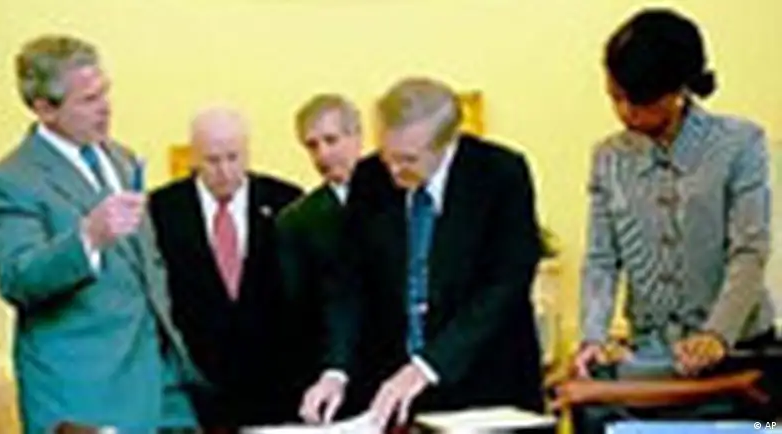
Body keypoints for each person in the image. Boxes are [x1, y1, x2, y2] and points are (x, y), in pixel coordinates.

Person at [0, 35, 201, 433]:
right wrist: (88, 238)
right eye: (89, 100)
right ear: (44, 108)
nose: (105, 107)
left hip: (160, 381)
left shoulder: (122, 158)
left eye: (105, 92)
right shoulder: (10, 181)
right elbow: (18, 279)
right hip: (81, 390)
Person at [572, 8, 775, 432]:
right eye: (615, 97)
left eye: (638, 101)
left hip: (737, 355)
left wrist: (717, 335)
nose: (625, 113)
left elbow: (749, 251)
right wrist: (593, 335)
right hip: (651, 359)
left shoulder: (740, 144)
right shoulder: (609, 158)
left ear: (677, 91)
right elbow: (601, 259)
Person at [300, 77, 545, 428]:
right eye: (388, 156)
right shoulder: (370, 179)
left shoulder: (499, 175)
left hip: (485, 383)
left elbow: (504, 287)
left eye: (408, 159)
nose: (394, 170)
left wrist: (428, 366)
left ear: (447, 144)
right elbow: (349, 284)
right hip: (397, 395)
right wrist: (336, 371)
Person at [148, 107, 303, 427]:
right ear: (194, 157)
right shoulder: (163, 210)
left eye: (234, 158)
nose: (225, 171)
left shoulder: (286, 202)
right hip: (196, 389)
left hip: (276, 386)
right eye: (212, 160)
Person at [276, 94, 365, 417]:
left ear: (357, 137)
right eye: (312, 146)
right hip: (334, 379)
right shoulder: (297, 221)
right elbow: (300, 312)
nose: (323, 154)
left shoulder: (398, 198)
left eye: (331, 140)